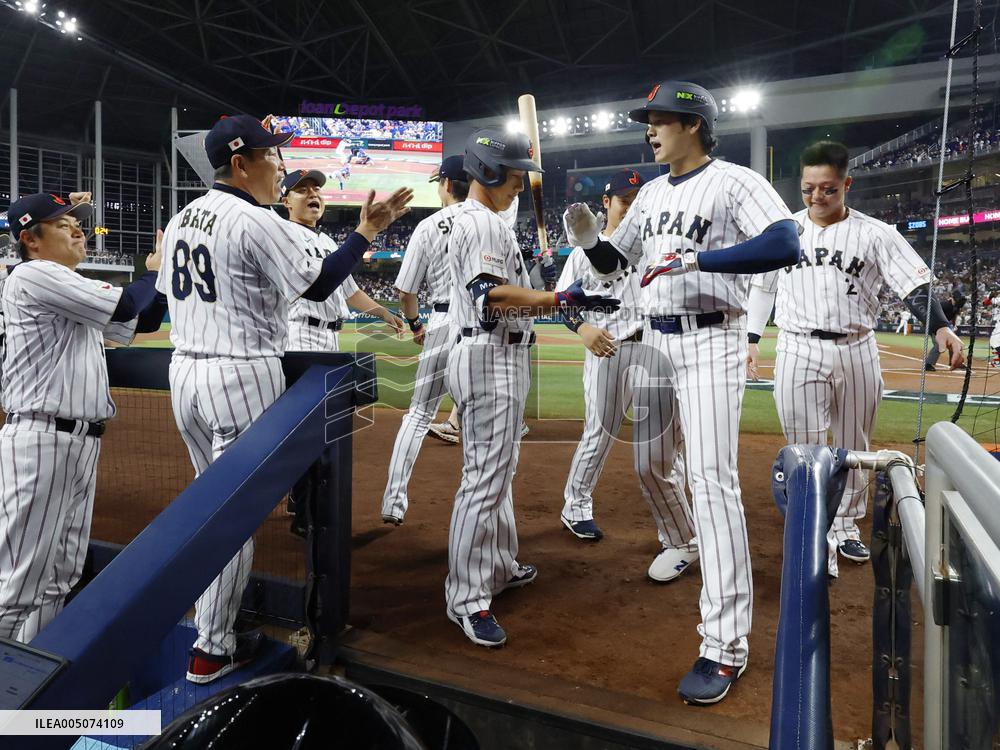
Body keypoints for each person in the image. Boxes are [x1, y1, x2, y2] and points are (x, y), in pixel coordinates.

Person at [564, 81, 801, 704]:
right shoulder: (648, 196)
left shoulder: (733, 180)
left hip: (712, 343)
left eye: (661, 120)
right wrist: (591, 240)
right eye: (648, 121)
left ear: (693, 124)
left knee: (712, 478)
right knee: (646, 461)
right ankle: (685, 541)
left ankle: (724, 646)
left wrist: (702, 261)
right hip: (655, 341)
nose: (651, 130)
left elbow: (783, 242)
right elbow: (619, 267)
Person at [158, 114, 412, 684]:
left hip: (185, 376)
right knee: (232, 521)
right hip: (238, 376)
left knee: (208, 509)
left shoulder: (181, 219)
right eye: (273, 157)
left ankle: (211, 629)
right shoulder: (252, 218)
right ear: (242, 164)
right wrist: (367, 231)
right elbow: (321, 284)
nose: (279, 165)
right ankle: (211, 648)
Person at [747, 141, 965, 577]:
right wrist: (751, 338)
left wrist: (940, 326)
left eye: (828, 189)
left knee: (854, 444)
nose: (816, 198)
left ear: (846, 183)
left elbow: (913, 286)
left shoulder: (875, 233)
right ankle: (812, 530)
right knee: (804, 445)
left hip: (857, 347)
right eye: (808, 189)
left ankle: (846, 525)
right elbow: (762, 287)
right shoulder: (783, 230)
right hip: (797, 346)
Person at [445, 127, 618, 648]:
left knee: (499, 473)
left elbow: (511, 299)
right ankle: (467, 596)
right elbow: (489, 298)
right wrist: (559, 301)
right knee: (483, 480)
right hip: (487, 353)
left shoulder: (492, 224)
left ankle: (496, 568)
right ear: (490, 172)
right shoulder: (479, 224)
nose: (523, 182)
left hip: (502, 352)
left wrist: (553, 297)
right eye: (517, 172)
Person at [0, 192, 165, 642]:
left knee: (59, 578)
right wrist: (152, 271)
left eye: (78, 222)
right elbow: (128, 304)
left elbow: (143, 322)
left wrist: (164, 277)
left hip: (76, 444)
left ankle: (30, 688)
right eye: (62, 223)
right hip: (40, 441)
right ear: (31, 240)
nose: (78, 228)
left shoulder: (67, 290)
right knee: (16, 585)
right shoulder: (34, 275)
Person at [556, 169, 690, 557]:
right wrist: (582, 329)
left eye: (636, 202)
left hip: (652, 347)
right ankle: (575, 505)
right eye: (624, 202)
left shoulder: (652, 248)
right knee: (600, 433)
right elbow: (563, 300)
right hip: (607, 350)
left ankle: (679, 516)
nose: (630, 208)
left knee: (666, 438)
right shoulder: (585, 252)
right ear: (606, 203)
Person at [381, 155, 468, 524]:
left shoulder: (429, 226)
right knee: (484, 422)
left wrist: (415, 324)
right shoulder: (494, 221)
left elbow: (405, 292)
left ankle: (393, 502)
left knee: (418, 414)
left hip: (443, 321)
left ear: (446, 184)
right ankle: (476, 513)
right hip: (486, 325)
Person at [281, 168, 404, 352]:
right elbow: (319, 285)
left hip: (332, 336)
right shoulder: (283, 234)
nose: (313, 193)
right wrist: (367, 230)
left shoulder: (327, 241)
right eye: (302, 190)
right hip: (300, 333)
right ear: (286, 202)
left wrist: (383, 312)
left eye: (316, 189)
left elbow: (350, 292)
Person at [924, 288, 966, 371]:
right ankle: (928, 364)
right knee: (939, 344)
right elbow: (930, 312)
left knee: (954, 342)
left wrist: (953, 326)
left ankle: (954, 362)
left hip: (944, 327)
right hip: (934, 326)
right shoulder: (944, 305)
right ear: (952, 298)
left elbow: (954, 316)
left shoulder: (956, 307)